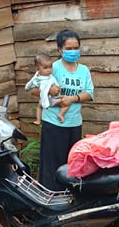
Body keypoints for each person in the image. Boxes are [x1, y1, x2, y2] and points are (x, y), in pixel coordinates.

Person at [38, 29, 94, 190]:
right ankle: (50, 200)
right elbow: (34, 89)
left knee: (72, 165)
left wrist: (73, 98)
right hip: (53, 124)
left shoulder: (83, 70)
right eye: (68, 49)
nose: (73, 51)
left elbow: (89, 93)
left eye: (76, 48)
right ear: (59, 50)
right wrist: (49, 90)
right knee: (52, 166)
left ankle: (69, 201)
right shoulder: (52, 68)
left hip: (74, 123)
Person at [25, 52, 64, 124]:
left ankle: (59, 113)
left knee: (40, 106)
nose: (49, 70)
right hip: (46, 100)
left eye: (50, 67)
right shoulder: (38, 78)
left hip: (50, 98)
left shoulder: (51, 77)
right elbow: (32, 83)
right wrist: (27, 87)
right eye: (45, 68)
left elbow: (55, 83)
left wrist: (58, 88)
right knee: (41, 105)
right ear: (38, 69)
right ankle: (38, 120)